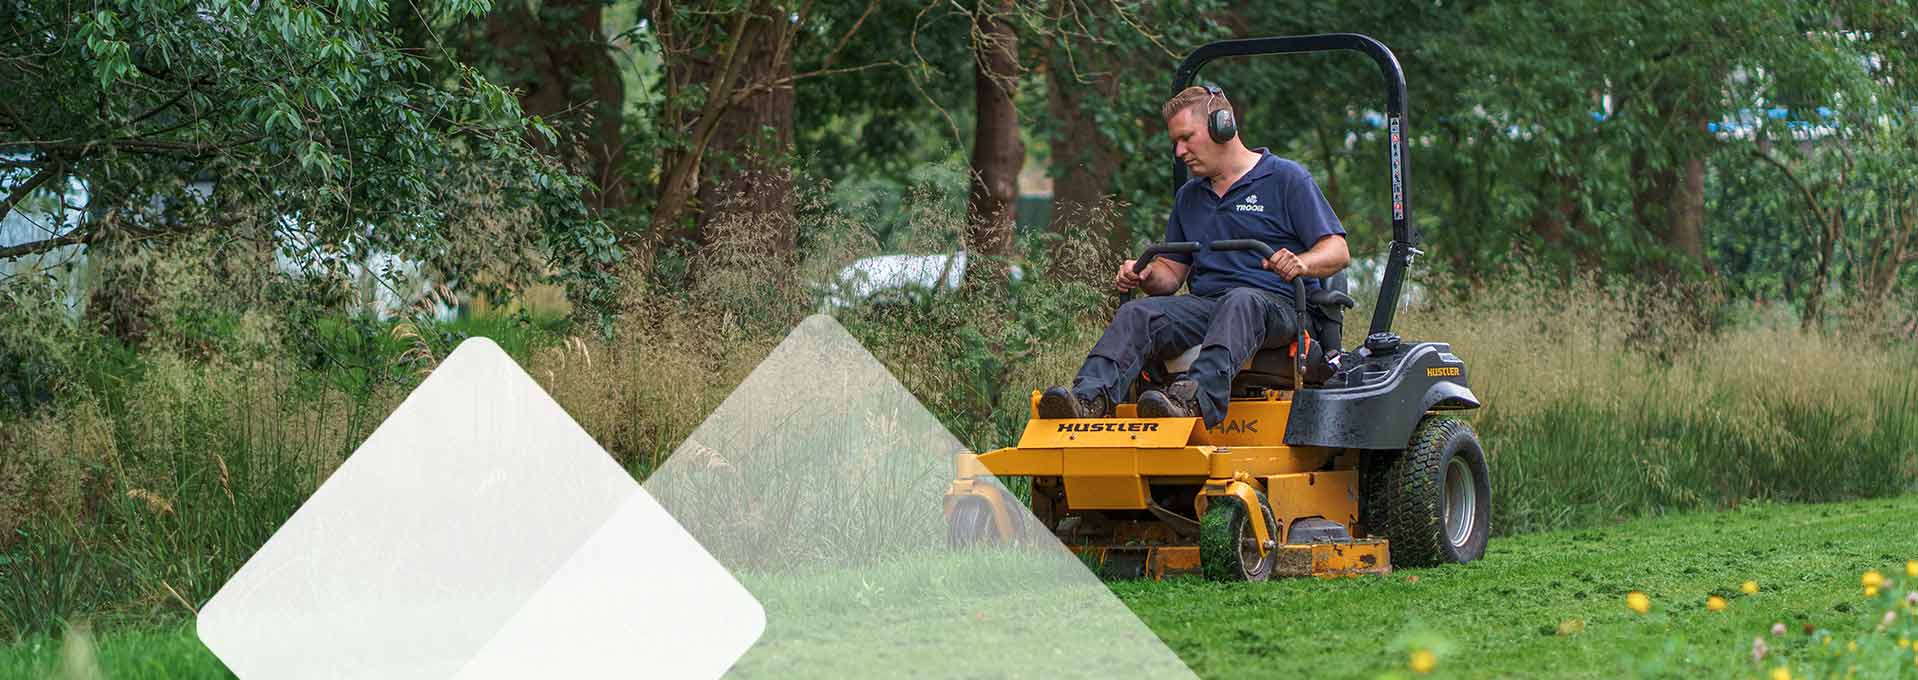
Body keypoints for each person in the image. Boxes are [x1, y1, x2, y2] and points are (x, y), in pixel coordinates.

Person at [1037, 85, 1351, 427]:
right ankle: (1088, 400)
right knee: (1137, 311)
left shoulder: (1286, 179)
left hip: (1277, 307)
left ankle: (1190, 402)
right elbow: (1171, 275)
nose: (1180, 151)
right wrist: (1144, 274)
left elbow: (1337, 249)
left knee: (1240, 301)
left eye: (1187, 138)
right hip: (1208, 306)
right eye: (1175, 142)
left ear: (1223, 126)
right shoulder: (1190, 196)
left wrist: (1302, 262)